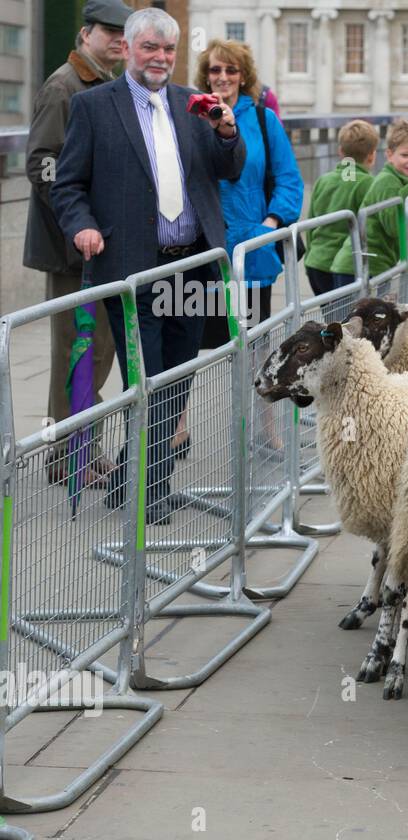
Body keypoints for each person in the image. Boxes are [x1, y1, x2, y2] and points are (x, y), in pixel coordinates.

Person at [51, 7, 245, 524]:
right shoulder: (94, 106)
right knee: (147, 379)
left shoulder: (193, 104)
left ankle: (131, 480)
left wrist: (227, 131)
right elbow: (65, 183)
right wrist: (82, 225)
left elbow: (228, 169)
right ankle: (149, 490)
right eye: (150, 48)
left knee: (177, 380)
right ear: (129, 49)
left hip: (193, 269)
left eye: (169, 51)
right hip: (133, 269)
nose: (160, 58)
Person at [24, 0, 131, 488]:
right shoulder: (63, 86)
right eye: (108, 31)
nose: (116, 40)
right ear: (85, 34)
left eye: (122, 33)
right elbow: (43, 165)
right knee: (77, 351)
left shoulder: (108, 85)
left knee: (97, 352)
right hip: (74, 249)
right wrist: (79, 222)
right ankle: (70, 454)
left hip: (101, 246)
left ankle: (79, 449)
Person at [195, 38, 303, 332]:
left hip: (251, 250)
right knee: (191, 353)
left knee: (252, 346)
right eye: (216, 69)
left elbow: (289, 179)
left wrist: (270, 223)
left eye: (232, 70)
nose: (223, 77)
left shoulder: (263, 119)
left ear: (243, 77)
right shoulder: (190, 120)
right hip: (202, 253)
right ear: (206, 75)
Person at [329, 119, 408, 277]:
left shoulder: (399, 180)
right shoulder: (388, 182)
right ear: (389, 155)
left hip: (373, 264)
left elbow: (406, 219)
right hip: (359, 267)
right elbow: (394, 227)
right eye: (405, 155)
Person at [303, 120, 378, 296]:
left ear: (340, 151)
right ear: (372, 155)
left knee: (332, 322)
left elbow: (311, 224)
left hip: (316, 262)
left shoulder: (324, 180)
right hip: (346, 268)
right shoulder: (368, 183)